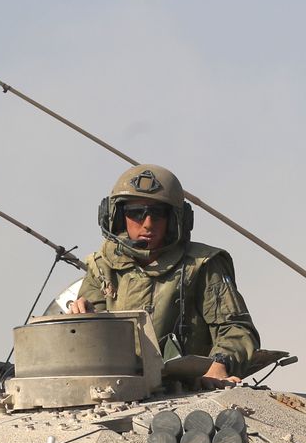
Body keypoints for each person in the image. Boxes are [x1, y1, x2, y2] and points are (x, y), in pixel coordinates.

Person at [70, 164, 260, 388]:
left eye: (158, 214)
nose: (148, 224)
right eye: (136, 213)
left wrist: (220, 364)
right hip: (116, 391)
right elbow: (85, 349)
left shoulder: (201, 265)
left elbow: (236, 329)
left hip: (185, 392)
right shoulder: (103, 266)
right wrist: (84, 320)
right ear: (117, 216)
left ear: (176, 220)